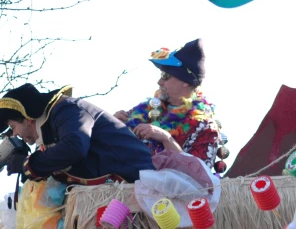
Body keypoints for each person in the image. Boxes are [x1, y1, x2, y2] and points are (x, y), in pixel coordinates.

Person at [0, 83, 155, 185]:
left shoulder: (66, 110)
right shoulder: (50, 129)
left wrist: (29, 163)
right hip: (121, 194)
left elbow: (74, 147)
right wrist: (28, 171)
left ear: (28, 119)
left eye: (13, 126)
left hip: (139, 188)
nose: (15, 134)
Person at [114, 38, 224, 172]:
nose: (159, 82)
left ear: (186, 82)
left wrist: (166, 139)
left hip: (168, 193)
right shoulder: (144, 111)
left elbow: (200, 176)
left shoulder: (205, 127)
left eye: (166, 76)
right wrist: (114, 126)